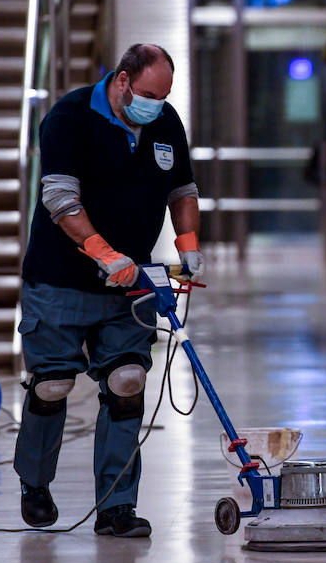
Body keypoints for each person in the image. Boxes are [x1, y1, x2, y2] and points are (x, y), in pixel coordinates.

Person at [15, 43, 204, 537]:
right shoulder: (70, 116)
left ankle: (116, 506)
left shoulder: (165, 122)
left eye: (163, 97)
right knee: (53, 385)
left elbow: (181, 189)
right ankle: (35, 485)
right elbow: (58, 196)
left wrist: (189, 244)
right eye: (147, 95)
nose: (155, 106)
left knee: (127, 383)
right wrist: (103, 252)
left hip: (129, 285)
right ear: (121, 80)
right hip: (60, 280)